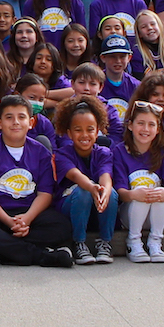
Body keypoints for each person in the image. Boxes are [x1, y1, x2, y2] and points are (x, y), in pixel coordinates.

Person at [0, 94, 73, 268]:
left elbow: (45, 194)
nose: (15, 122)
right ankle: (41, 256)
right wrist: (8, 221)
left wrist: (27, 219)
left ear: (31, 123)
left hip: (29, 211)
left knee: (62, 226)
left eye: (21, 117)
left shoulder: (40, 151)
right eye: (9, 117)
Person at [54, 97, 118, 265]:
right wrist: (92, 187)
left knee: (110, 193)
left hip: (97, 206)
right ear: (69, 133)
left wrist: (104, 190)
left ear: (97, 132)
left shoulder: (104, 152)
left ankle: (105, 242)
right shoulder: (62, 154)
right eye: (78, 130)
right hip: (71, 206)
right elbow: (76, 176)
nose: (84, 135)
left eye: (90, 129)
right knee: (83, 191)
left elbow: (106, 176)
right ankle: (79, 242)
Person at [115, 101, 164, 263]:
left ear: (157, 129)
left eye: (151, 125)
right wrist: (134, 194)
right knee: (142, 195)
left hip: (157, 215)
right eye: (140, 123)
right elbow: (121, 192)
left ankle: (155, 242)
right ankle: (133, 242)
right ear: (130, 125)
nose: (145, 129)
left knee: (161, 195)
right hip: (130, 214)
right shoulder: (120, 151)